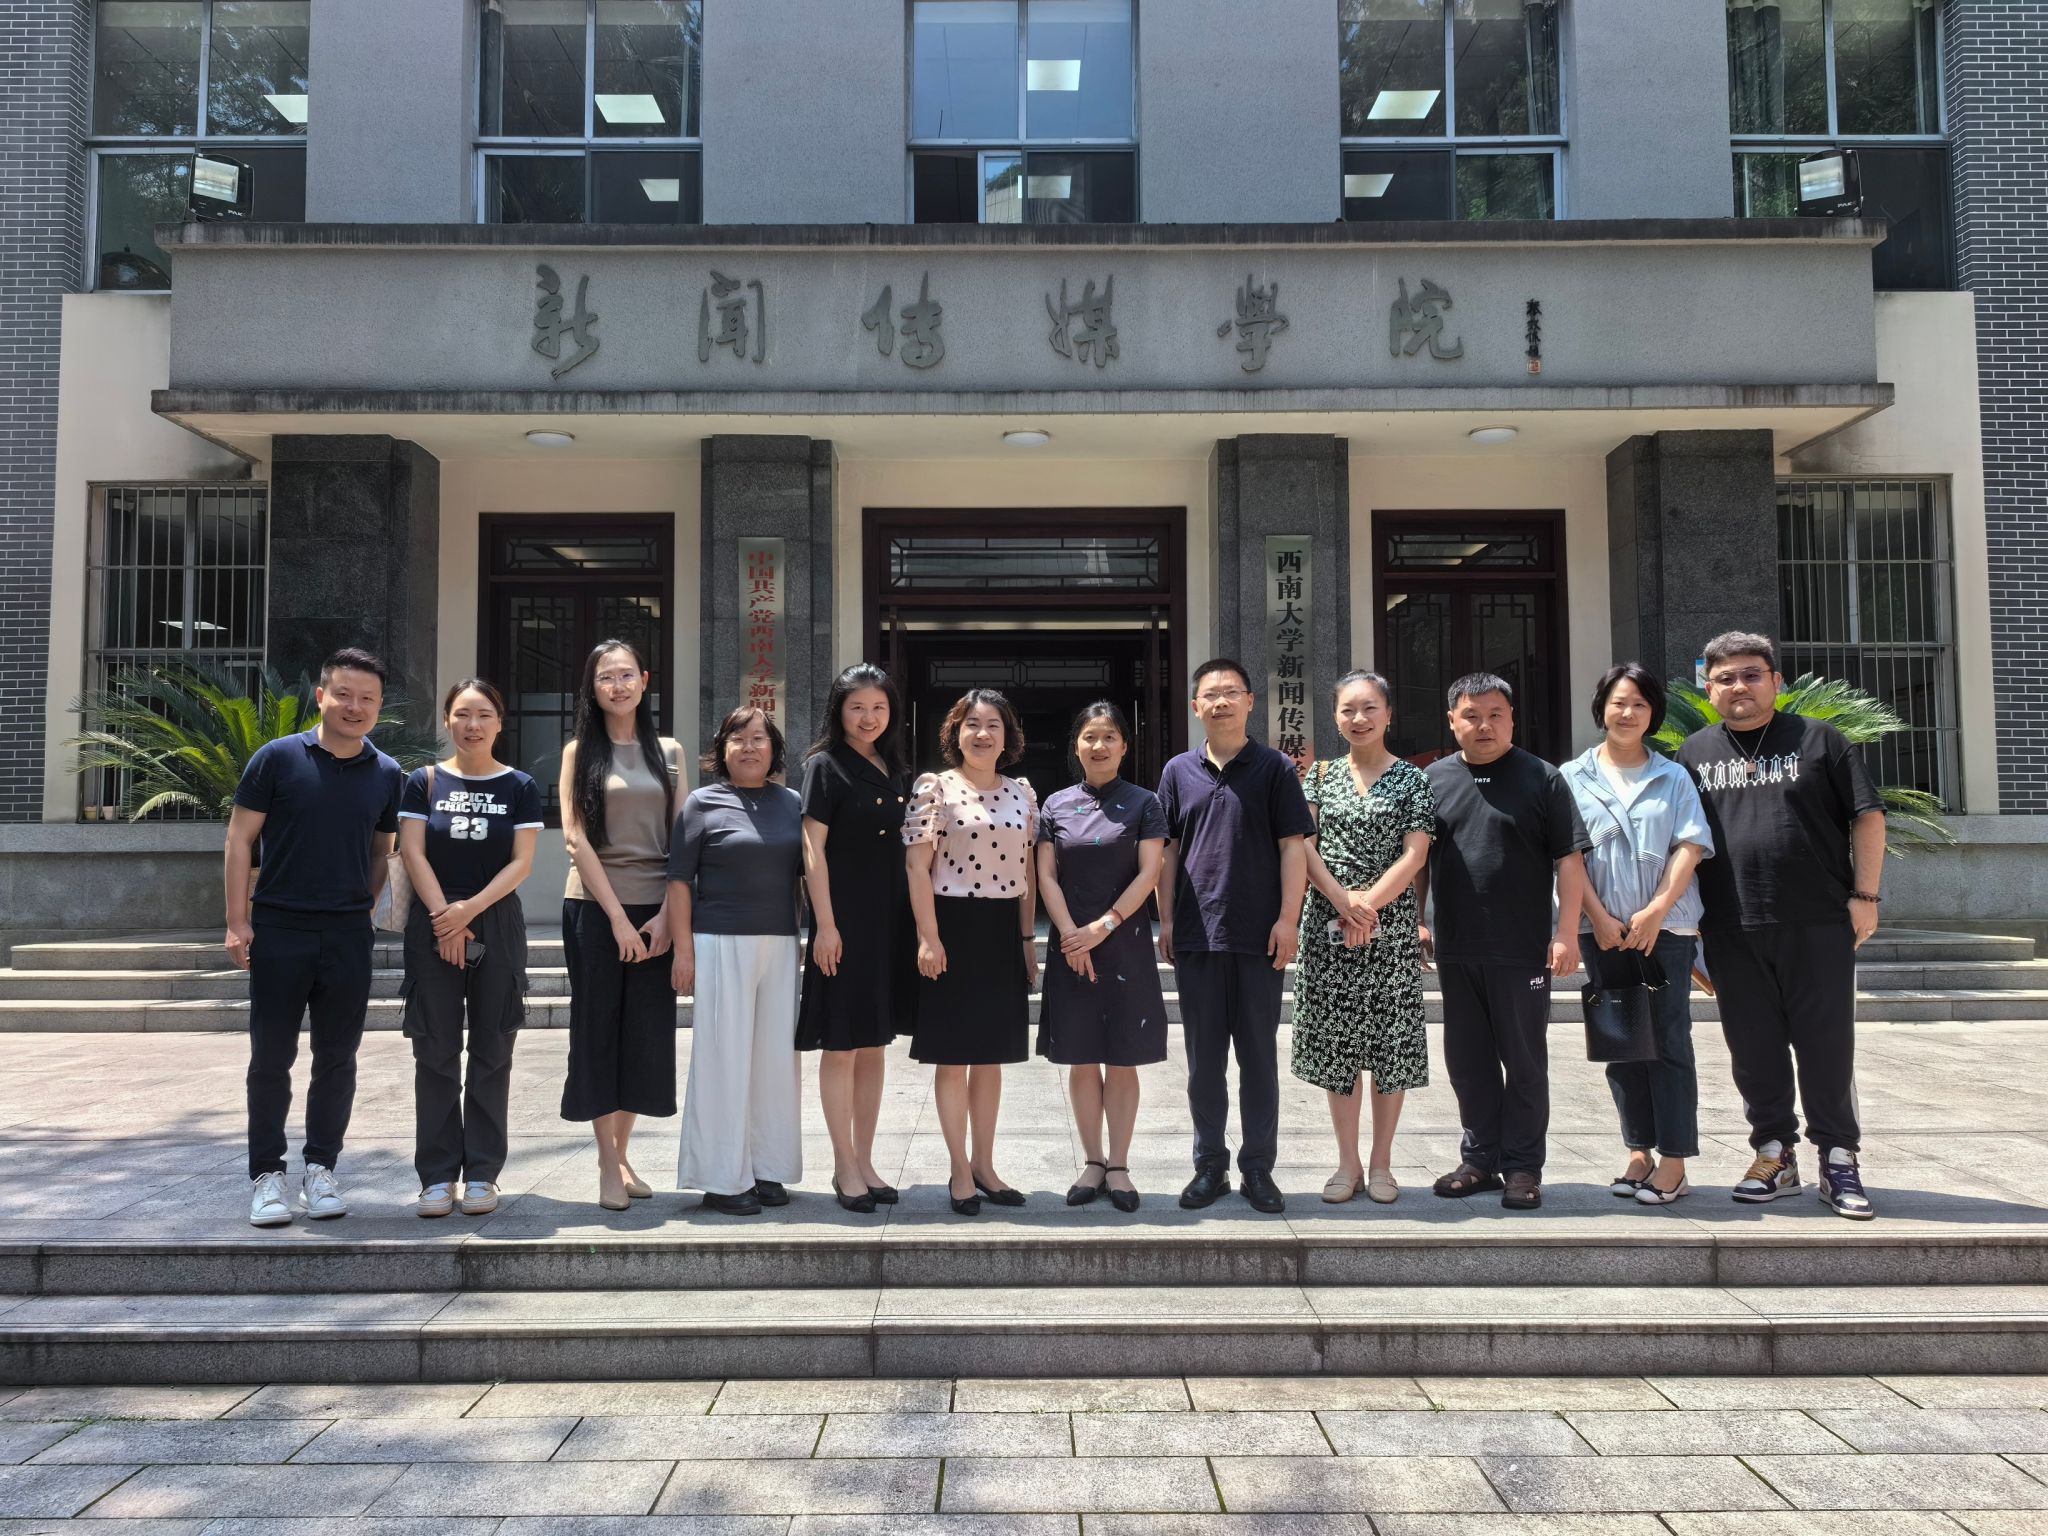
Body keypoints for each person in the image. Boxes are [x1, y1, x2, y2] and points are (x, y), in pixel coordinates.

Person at [1677, 631, 1887, 1220]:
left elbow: (1868, 816)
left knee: (1826, 1045)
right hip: (1730, 925)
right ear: (1709, 688)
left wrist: (1865, 895)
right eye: (1724, 678)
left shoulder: (1820, 739)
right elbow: (1678, 843)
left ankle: (1838, 1157)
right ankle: (1774, 1153)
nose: (1738, 687)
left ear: (1775, 681)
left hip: (1817, 920)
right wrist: (1687, 927)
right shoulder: (1693, 753)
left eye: (1751, 674)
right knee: (1753, 1047)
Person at [225, 647, 404, 1227]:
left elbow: (382, 850)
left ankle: (321, 1169)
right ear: (321, 696)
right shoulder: (277, 758)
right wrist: (237, 920)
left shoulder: (387, 773)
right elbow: (239, 841)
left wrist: (366, 909)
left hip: (348, 934)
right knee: (270, 1057)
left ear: (379, 705)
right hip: (280, 928)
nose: (355, 706)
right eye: (344, 694)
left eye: (367, 698)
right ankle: (266, 1175)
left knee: (337, 1058)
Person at [1417, 672, 1589, 1212]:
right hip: (1457, 946)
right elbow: (1418, 860)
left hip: (1522, 948)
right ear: (1452, 721)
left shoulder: (1543, 778)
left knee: (1524, 1060)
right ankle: (1479, 1160)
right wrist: (1418, 920)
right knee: (1468, 1061)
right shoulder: (1433, 780)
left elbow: (1569, 860)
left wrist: (1566, 933)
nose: (1484, 726)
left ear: (1512, 718)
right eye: (1471, 716)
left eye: (1495, 715)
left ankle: (1522, 1167)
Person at [1156, 659, 1314, 1215]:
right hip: (1197, 936)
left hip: (1258, 938)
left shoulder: (1274, 768)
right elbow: (1168, 850)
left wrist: (1289, 919)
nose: (1220, 702)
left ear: (1250, 701)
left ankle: (1258, 1169)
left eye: (1231, 693)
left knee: (1258, 1062)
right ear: (1195, 706)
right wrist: (1166, 920)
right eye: (1210, 695)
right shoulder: (1177, 771)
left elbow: (1293, 847)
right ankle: (1210, 1166)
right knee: (1204, 1065)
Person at [1562, 664, 1714, 1207]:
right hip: (1599, 928)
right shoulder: (1571, 777)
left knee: (1669, 1039)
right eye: (1618, 702)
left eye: (1640, 704)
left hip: (1665, 929)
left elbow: (1690, 846)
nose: (1627, 713)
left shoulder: (1673, 777)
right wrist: (1598, 917)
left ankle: (1674, 1162)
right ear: (1601, 708)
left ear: (1653, 714)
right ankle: (1638, 1151)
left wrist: (1655, 911)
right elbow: (1567, 856)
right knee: (1620, 1039)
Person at [396, 678, 542, 1219]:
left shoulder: (519, 785)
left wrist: (468, 912)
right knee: (434, 1049)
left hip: (495, 919)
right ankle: (437, 1176)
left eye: (483, 714)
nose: (472, 725)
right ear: (447, 720)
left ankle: (482, 1172)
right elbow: (413, 852)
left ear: (500, 722)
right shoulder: (423, 781)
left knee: (492, 1049)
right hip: (432, 920)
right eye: (461, 714)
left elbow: (521, 863)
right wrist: (445, 920)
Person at [1292, 671, 1436, 1206]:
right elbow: (1304, 845)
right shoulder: (1320, 776)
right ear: (1335, 718)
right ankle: (1347, 1163)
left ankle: (1381, 1163)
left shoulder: (1412, 779)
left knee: (1390, 1047)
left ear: (1388, 715)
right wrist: (1342, 902)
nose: (1359, 718)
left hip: (1389, 928)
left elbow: (1415, 854)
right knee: (1338, 1047)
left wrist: (1366, 905)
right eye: (1348, 709)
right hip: (1328, 926)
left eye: (1370, 708)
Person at [903, 688, 1039, 1216]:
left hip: (1002, 928)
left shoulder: (1023, 793)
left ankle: (985, 1164)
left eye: (993, 725)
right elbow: (917, 866)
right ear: (955, 733)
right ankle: (959, 1168)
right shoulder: (935, 787)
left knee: (990, 1056)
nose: (982, 734)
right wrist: (928, 936)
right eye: (972, 724)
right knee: (953, 1055)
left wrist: (1027, 942)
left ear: (1008, 737)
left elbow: (1027, 873)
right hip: (952, 924)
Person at [558, 638, 682, 1212]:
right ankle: (607, 1162)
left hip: (657, 912)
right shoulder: (579, 752)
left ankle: (624, 1150)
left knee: (644, 1036)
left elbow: (684, 839)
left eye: (627, 675)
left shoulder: (669, 752)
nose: (617, 685)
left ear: (644, 680)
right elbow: (575, 838)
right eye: (606, 677)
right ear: (593, 687)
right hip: (594, 909)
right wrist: (617, 920)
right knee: (598, 1031)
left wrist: (667, 915)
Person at [669, 707, 805, 1216]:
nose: (750, 747)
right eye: (739, 739)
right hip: (720, 940)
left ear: (774, 750)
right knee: (723, 1060)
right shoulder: (702, 803)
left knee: (775, 1061)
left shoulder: (791, 803)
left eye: (760, 739)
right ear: (721, 750)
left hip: (781, 943)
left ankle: (766, 1167)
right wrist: (684, 952)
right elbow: (678, 881)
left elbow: (808, 873)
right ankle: (721, 1178)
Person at [1035, 701, 1169, 1213]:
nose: (1099, 745)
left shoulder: (1144, 803)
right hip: (1071, 944)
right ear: (1077, 746)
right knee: (1082, 1055)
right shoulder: (1055, 804)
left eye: (1109, 736)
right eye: (1090, 736)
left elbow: (1149, 873)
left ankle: (1119, 1164)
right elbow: (1046, 875)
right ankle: (1092, 1161)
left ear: (1124, 747)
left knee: (1122, 1057)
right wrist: (1072, 936)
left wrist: (1103, 926)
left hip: (1124, 943)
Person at [796, 664, 915, 1214]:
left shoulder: (896, 769)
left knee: (873, 1045)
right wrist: (824, 924)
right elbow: (812, 851)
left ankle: (865, 1161)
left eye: (879, 708)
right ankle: (843, 1164)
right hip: (842, 923)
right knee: (841, 1045)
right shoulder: (824, 766)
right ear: (838, 711)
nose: (869, 718)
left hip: (888, 921)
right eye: (857, 708)